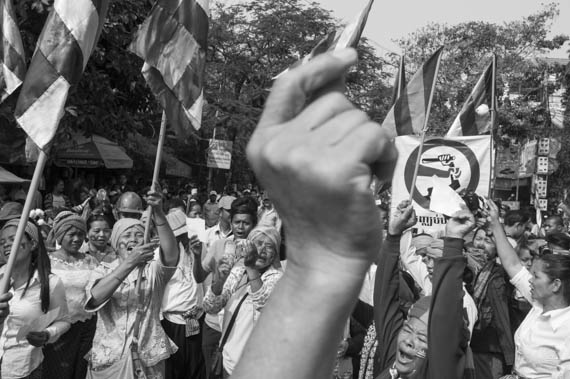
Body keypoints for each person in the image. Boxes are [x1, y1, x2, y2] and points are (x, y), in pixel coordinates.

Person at [230, 48, 471, 379]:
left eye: (424, 340)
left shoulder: (440, 370)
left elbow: (444, 327)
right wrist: (324, 259)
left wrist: (454, 241)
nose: (411, 342)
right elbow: (385, 297)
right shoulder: (391, 359)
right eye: (410, 330)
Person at [84, 186, 179, 378]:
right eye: (126, 236)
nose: (133, 239)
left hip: (148, 359)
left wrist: (159, 212)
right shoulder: (102, 270)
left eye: (138, 235)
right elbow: (95, 298)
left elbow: (171, 255)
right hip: (109, 357)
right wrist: (130, 262)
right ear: (116, 243)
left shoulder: (153, 270)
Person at [487, 199, 570, 378]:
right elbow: (512, 264)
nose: (529, 281)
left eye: (536, 277)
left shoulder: (566, 327)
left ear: (556, 285)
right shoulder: (539, 303)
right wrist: (495, 223)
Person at [202, 226, 283, 377]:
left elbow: (262, 303)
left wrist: (250, 266)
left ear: (275, 254)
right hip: (228, 363)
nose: (262, 250)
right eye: (257, 244)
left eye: (269, 246)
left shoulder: (277, 279)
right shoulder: (238, 272)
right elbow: (209, 307)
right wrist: (220, 279)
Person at [192, 196, 257, 378]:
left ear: (254, 224)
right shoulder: (219, 245)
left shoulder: (258, 253)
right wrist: (197, 257)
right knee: (212, 373)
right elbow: (198, 277)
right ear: (231, 221)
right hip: (214, 326)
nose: (240, 227)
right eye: (237, 222)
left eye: (246, 223)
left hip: (242, 331)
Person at [0, 219, 70, 379]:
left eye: (13, 239)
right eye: (2, 242)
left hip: (22, 368)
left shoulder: (50, 283)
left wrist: (47, 334)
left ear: (32, 244)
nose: (6, 245)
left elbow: (64, 320)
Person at [43, 211, 99, 379]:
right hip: (56, 326)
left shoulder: (90, 261)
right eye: (71, 234)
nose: (77, 239)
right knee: (57, 370)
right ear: (60, 235)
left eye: (81, 234)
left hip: (87, 327)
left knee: (80, 370)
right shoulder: (47, 261)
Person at [161, 207, 206, 379]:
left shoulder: (198, 247)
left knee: (195, 368)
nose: (182, 238)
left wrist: (197, 256)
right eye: (177, 235)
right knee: (175, 369)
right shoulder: (162, 255)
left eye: (183, 233)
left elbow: (201, 279)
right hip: (173, 322)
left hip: (196, 319)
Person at [469, 226, 515, 378]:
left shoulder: (500, 275)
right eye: (478, 239)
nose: (481, 244)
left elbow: (503, 318)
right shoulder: (465, 272)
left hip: (492, 349)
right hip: (470, 345)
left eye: (487, 241)